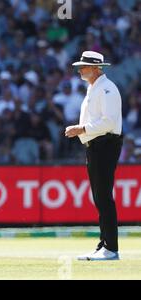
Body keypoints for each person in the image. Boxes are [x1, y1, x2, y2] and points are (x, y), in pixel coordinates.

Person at [65, 51, 123, 261]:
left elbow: (108, 122)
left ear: (97, 68)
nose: (80, 69)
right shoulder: (95, 88)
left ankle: (111, 248)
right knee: (100, 197)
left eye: (85, 66)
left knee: (104, 197)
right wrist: (84, 132)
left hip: (105, 144)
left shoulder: (107, 89)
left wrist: (81, 129)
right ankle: (104, 244)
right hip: (96, 144)